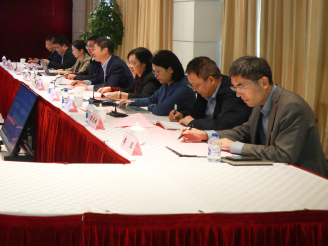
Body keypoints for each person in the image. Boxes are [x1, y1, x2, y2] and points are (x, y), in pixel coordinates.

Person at [181, 56, 328, 176]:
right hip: (274, 170)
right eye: (235, 88)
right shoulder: (260, 101)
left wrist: (235, 146)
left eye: (241, 87)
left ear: (263, 82)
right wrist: (207, 135)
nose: (238, 95)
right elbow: (245, 131)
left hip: (304, 177)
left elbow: (283, 154)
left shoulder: (291, 106)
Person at [170, 56, 251, 130]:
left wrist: (193, 123)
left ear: (211, 80)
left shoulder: (232, 93)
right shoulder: (205, 91)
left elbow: (225, 125)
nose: (194, 90)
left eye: (196, 86)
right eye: (192, 86)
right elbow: (197, 113)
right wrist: (182, 114)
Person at [124, 50, 195, 117]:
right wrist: (132, 101)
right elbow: (151, 99)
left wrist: (150, 106)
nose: (155, 75)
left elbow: (162, 110)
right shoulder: (166, 83)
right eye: (154, 72)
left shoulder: (183, 88)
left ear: (170, 70)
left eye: (158, 72)